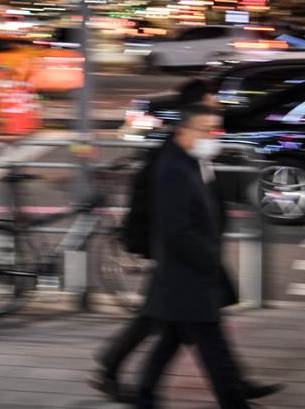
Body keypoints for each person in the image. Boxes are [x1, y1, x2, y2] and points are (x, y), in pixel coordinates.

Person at [92, 80, 281, 403]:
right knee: (190, 328)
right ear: (192, 112)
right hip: (180, 256)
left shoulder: (192, 150)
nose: (215, 114)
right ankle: (230, 391)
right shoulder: (173, 157)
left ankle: (142, 389)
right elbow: (164, 215)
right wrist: (191, 251)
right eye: (210, 107)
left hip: (189, 255)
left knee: (172, 328)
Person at [136, 104, 270, 409]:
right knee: (214, 350)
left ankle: (144, 397)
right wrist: (207, 259)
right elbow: (177, 230)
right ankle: (235, 404)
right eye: (205, 130)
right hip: (189, 275)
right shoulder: (173, 169)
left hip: (185, 274)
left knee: (172, 339)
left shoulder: (186, 160)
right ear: (183, 131)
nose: (211, 137)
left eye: (213, 130)